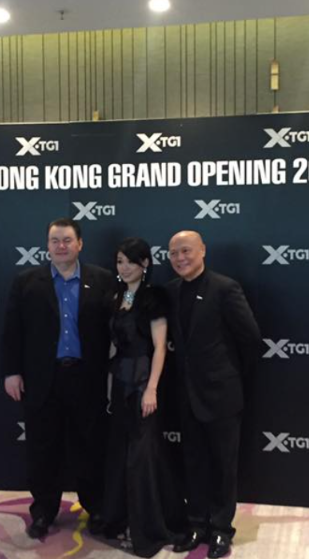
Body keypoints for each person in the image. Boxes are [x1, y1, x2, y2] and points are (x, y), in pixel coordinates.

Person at [0, 218, 114, 539]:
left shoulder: (103, 280)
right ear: (47, 245)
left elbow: (116, 327)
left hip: (87, 378)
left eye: (67, 240)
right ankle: (43, 512)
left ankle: (96, 508)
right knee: (42, 449)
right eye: (55, 241)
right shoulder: (26, 281)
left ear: (80, 244)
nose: (61, 246)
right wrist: (11, 371)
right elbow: (12, 331)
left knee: (90, 447)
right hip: (42, 380)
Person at [164, 230, 263, 559]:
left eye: (186, 251)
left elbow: (250, 339)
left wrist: (227, 375)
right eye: (174, 253)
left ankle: (221, 529)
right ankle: (196, 524)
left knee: (223, 466)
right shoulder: (171, 291)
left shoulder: (225, 288)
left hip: (222, 394)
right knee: (193, 464)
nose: (180, 258)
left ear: (203, 250)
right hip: (186, 395)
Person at [99, 237, 185, 557]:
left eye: (131, 261)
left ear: (145, 264)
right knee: (121, 456)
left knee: (142, 458)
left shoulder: (154, 297)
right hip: (120, 385)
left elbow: (160, 348)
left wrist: (151, 388)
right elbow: (113, 347)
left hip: (143, 384)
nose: (124, 268)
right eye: (120, 261)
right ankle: (119, 519)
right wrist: (110, 388)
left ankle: (149, 530)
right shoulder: (116, 296)